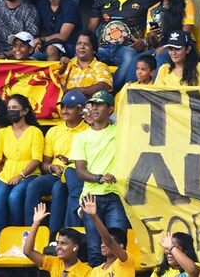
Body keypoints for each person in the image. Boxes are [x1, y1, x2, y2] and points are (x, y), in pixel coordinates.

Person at [70, 90, 125, 267]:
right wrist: (99, 178)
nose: (93, 108)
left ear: (110, 109)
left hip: (116, 195)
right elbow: (80, 171)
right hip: (91, 197)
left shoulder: (121, 132)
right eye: (92, 105)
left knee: (118, 247)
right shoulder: (81, 137)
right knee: (95, 250)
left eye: (99, 105)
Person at [26, 90, 88, 236]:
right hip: (55, 174)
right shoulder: (54, 131)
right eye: (63, 106)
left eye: (70, 107)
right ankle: (30, 231)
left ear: (80, 110)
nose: (65, 110)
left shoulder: (88, 130)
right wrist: (52, 167)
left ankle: (56, 235)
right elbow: (45, 164)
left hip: (76, 175)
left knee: (58, 189)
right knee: (33, 185)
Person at [0, 94, 42, 231]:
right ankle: (2, 235)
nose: (11, 111)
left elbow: (36, 159)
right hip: (6, 175)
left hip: (29, 174)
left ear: (25, 111)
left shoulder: (35, 132)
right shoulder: (2, 132)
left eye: (15, 107)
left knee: (14, 197)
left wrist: (20, 176)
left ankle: (18, 233)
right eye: (9, 108)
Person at [24, 209, 90, 277]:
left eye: (63, 243)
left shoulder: (86, 272)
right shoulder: (54, 262)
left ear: (75, 247)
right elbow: (28, 252)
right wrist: (36, 223)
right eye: (58, 243)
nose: (58, 247)